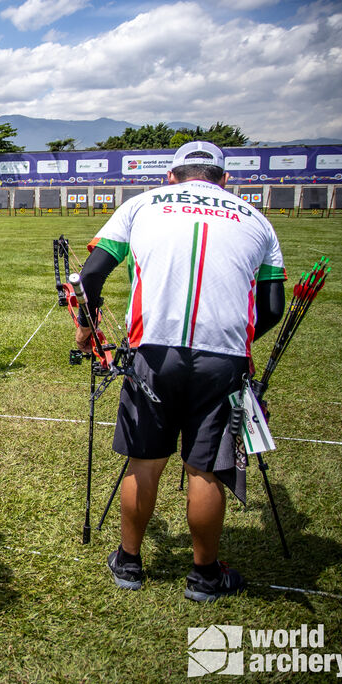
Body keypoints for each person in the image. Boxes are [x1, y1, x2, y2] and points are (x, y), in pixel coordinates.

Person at [73, 140, 285, 602]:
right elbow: (272, 307)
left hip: (152, 352)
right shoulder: (257, 220)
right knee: (206, 469)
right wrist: (235, 344)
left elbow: (89, 276)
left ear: (171, 176)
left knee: (144, 460)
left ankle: (129, 562)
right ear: (224, 179)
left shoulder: (140, 205)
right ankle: (204, 577)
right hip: (223, 357)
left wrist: (88, 329)